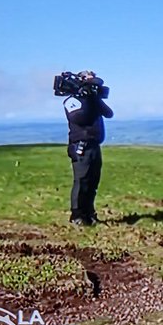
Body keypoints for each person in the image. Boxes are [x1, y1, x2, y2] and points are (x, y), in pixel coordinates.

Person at [64, 70, 113, 226]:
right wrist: (88, 98)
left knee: (92, 182)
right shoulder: (72, 101)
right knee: (81, 181)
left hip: (94, 146)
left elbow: (109, 113)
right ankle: (77, 215)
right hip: (80, 147)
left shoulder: (93, 100)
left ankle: (89, 214)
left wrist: (95, 98)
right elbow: (79, 117)